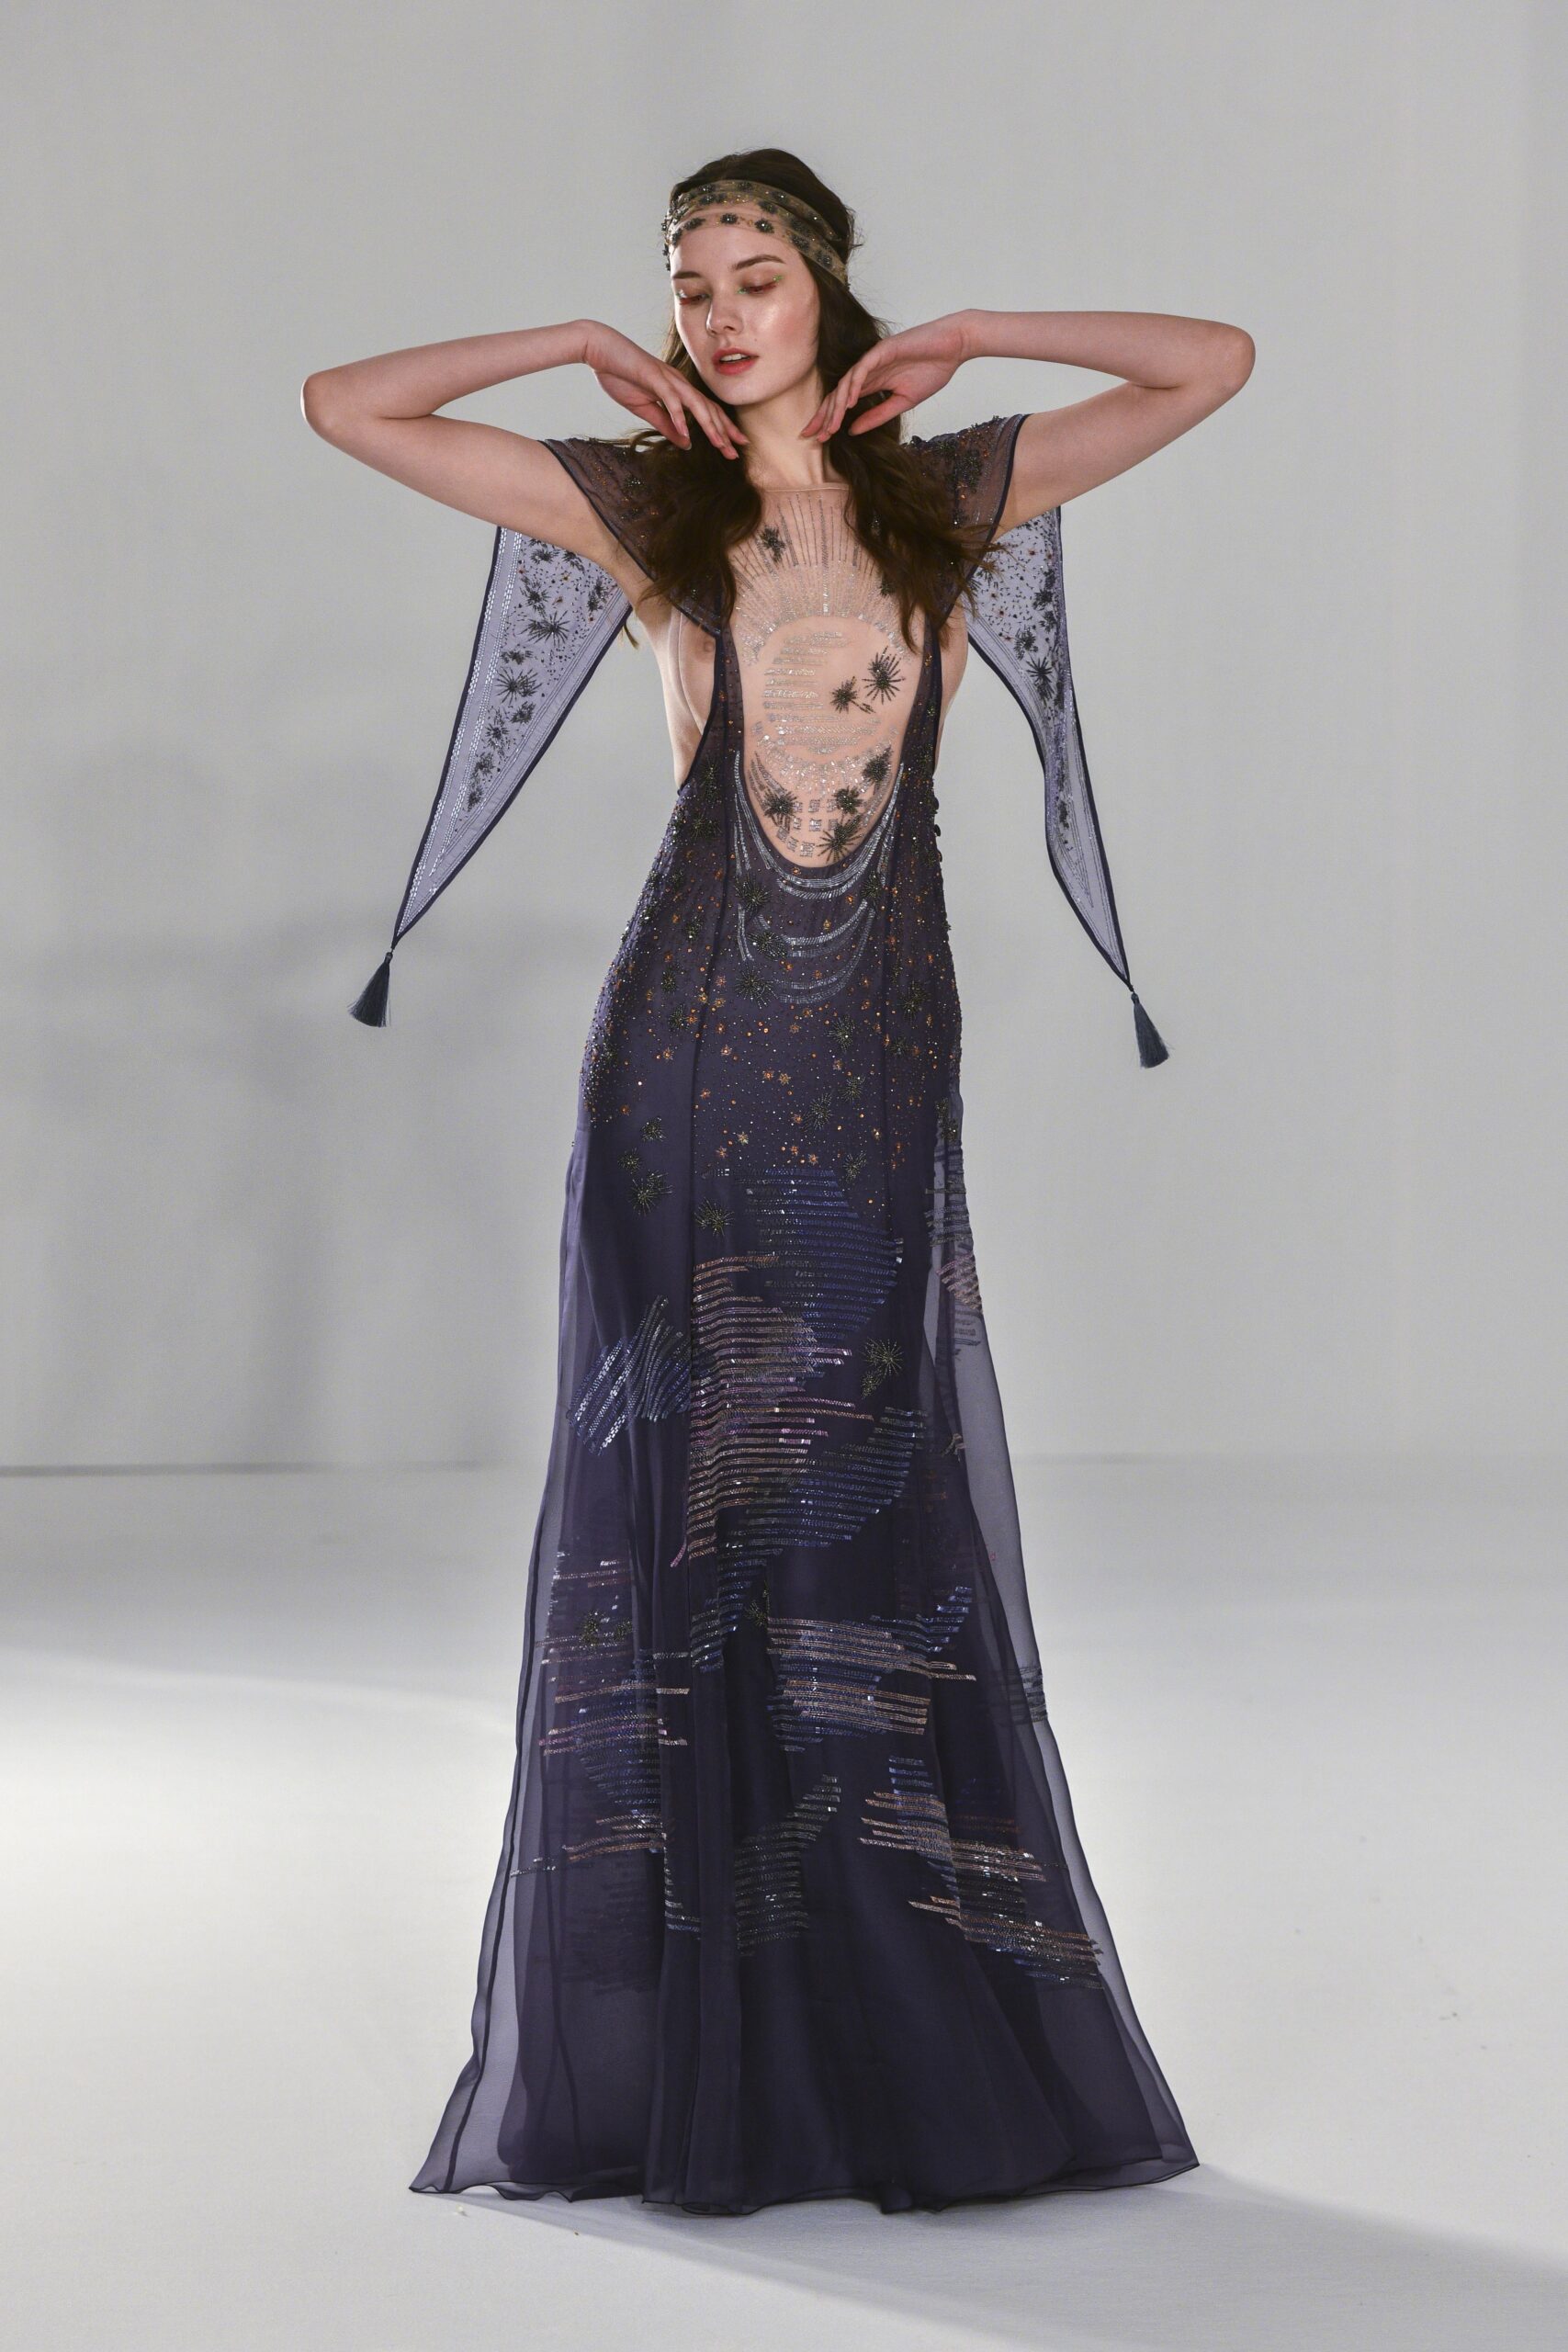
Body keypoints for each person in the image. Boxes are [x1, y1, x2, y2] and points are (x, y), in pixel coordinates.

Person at [302, 147, 1252, 2218]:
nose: (722, 314)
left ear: (824, 285)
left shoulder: (946, 493)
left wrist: (981, 332)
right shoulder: (654, 506)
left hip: (880, 1057)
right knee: (706, 1513)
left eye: (755, 275)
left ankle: (884, 2009)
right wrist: (569, 343)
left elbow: (1212, 362)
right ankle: (711, 2045)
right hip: (691, 1053)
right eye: (688, 284)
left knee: (866, 1493)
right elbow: (344, 405)